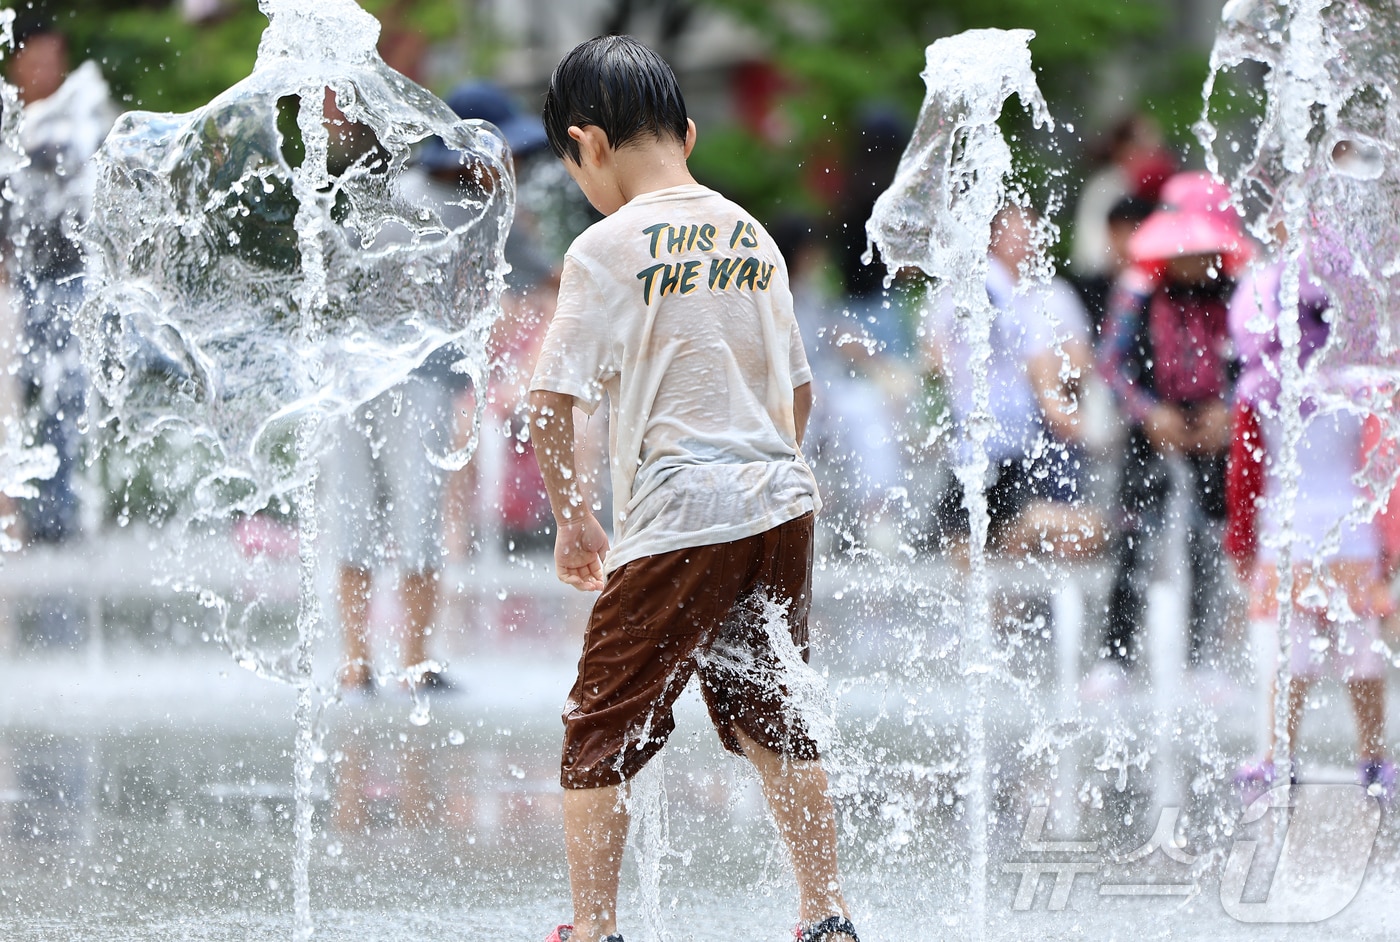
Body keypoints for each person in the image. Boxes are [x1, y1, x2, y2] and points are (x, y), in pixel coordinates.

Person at [527, 35, 857, 942]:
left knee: (598, 723)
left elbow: (549, 403)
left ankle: (594, 930)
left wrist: (575, 520)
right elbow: (798, 391)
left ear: (587, 145)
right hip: (781, 505)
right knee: (770, 707)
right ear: (691, 135)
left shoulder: (606, 246)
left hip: (680, 513)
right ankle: (824, 915)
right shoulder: (751, 233)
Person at [1226, 248, 1395, 801]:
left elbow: (1245, 477)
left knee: (1290, 653)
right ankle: (1372, 756)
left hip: (1287, 531)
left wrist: (1242, 540)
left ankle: (1279, 755)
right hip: (1352, 530)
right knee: (1360, 648)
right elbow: (1383, 468)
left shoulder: (1259, 390)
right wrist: (1390, 541)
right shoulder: (1362, 385)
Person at [1085, 171, 1251, 699]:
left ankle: (1202, 660)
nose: (1193, 261)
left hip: (1212, 432)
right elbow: (1111, 362)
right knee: (1134, 536)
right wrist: (1149, 413)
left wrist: (1227, 414)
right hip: (1150, 430)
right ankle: (1115, 658)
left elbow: (1254, 364)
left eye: (1204, 250)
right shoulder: (1139, 291)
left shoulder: (1236, 294)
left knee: (1207, 542)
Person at [928, 203, 1104, 560]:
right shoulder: (969, 287)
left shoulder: (1053, 295)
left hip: (1030, 440)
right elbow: (934, 354)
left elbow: (1078, 359)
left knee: (1032, 538)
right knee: (967, 545)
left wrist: (1053, 389)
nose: (1026, 243)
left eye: (1032, 234)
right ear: (993, 238)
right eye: (1017, 234)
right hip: (978, 443)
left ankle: (1027, 537)